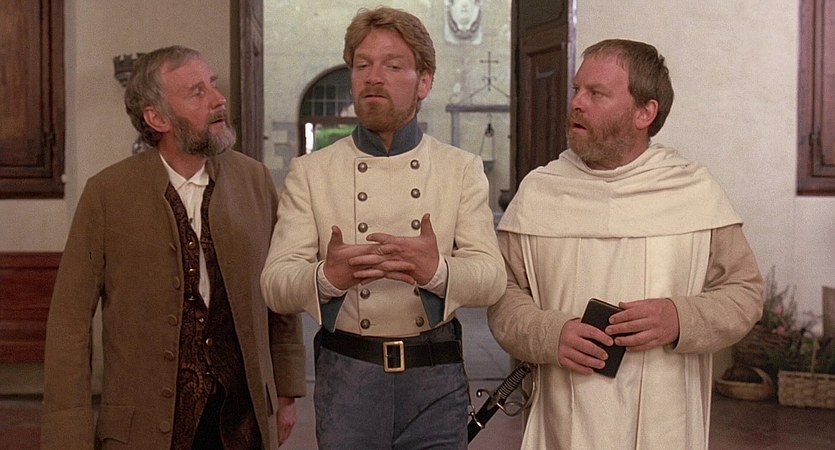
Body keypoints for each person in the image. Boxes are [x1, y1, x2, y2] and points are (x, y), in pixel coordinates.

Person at [487, 39, 764, 449]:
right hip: (563, 421)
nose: (576, 103)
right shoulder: (540, 193)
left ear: (644, 112)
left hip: (665, 423)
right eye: (577, 90)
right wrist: (550, 333)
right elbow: (502, 291)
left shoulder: (693, 191)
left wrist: (679, 318)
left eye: (596, 93)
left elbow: (744, 292)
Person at [260, 7, 506, 449]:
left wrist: (437, 272)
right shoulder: (311, 172)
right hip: (348, 379)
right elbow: (274, 285)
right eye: (362, 65)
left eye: (393, 66)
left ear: (424, 82)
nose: (373, 77)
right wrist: (327, 278)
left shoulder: (460, 169)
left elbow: (491, 279)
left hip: (435, 378)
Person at [41, 46, 306, 450]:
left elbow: (279, 294)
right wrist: (68, 432)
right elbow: (69, 324)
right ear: (157, 118)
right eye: (197, 92)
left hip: (241, 423)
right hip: (144, 429)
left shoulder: (254, 181)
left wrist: (285, 390)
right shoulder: (107, 194)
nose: (218, 100)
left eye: (212, 85)